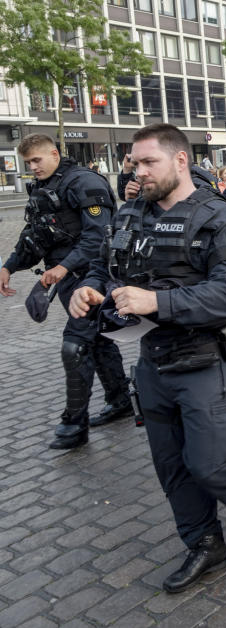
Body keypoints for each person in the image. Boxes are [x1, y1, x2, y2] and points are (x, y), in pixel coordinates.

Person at [67, 123, 226, 593]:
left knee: (211, 463)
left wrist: (156, 303)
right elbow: (109, 269)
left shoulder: (220, 218)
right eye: (134, 163)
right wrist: (91, 290)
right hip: (152, 365)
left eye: (149, 162)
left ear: (180, 160)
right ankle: (206, 544)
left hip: (205, 363)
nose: (138, 171)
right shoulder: (129, 216)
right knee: (173, 467)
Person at [0, 133, 131, 449]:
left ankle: (73, 426)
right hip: (66, 280)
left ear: (55, 153)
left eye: (37, 160)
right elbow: (34, 237)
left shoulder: (85, 183)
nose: (33, 168)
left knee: (75, 347)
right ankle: (120, 400)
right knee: (97, 341)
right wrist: (9, 266)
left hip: (92, 279)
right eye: (27, 163)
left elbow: (100, 237)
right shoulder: (44, 188)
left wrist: (64, 267)